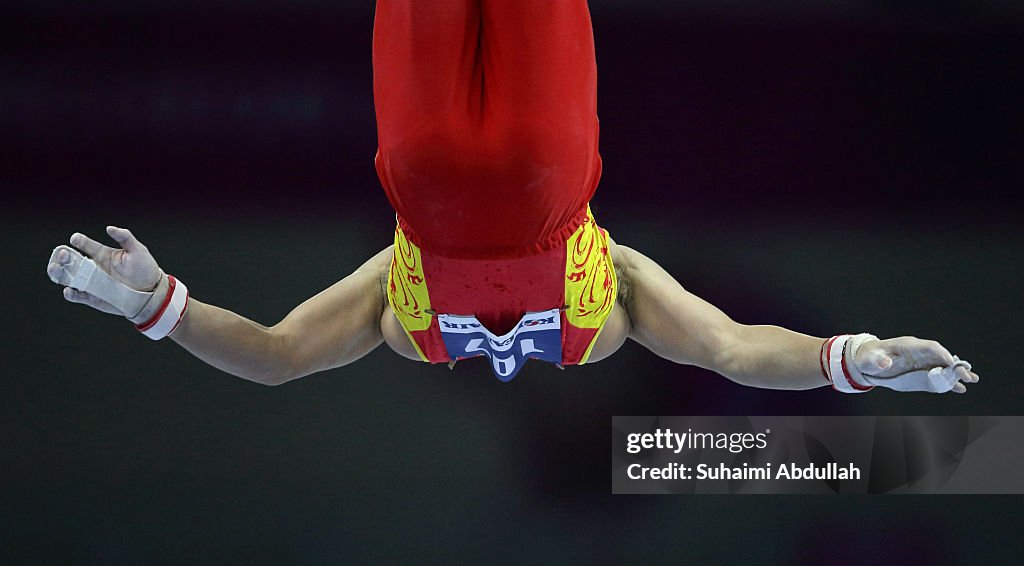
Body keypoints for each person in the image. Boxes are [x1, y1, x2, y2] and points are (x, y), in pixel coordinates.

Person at [46, 1, 978, 393]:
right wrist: (850, 357)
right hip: (489, 161)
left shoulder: (431, 309)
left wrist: (156, 306)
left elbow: (280, 355)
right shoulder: (592, 302)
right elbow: (735, 350)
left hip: (512, 160)